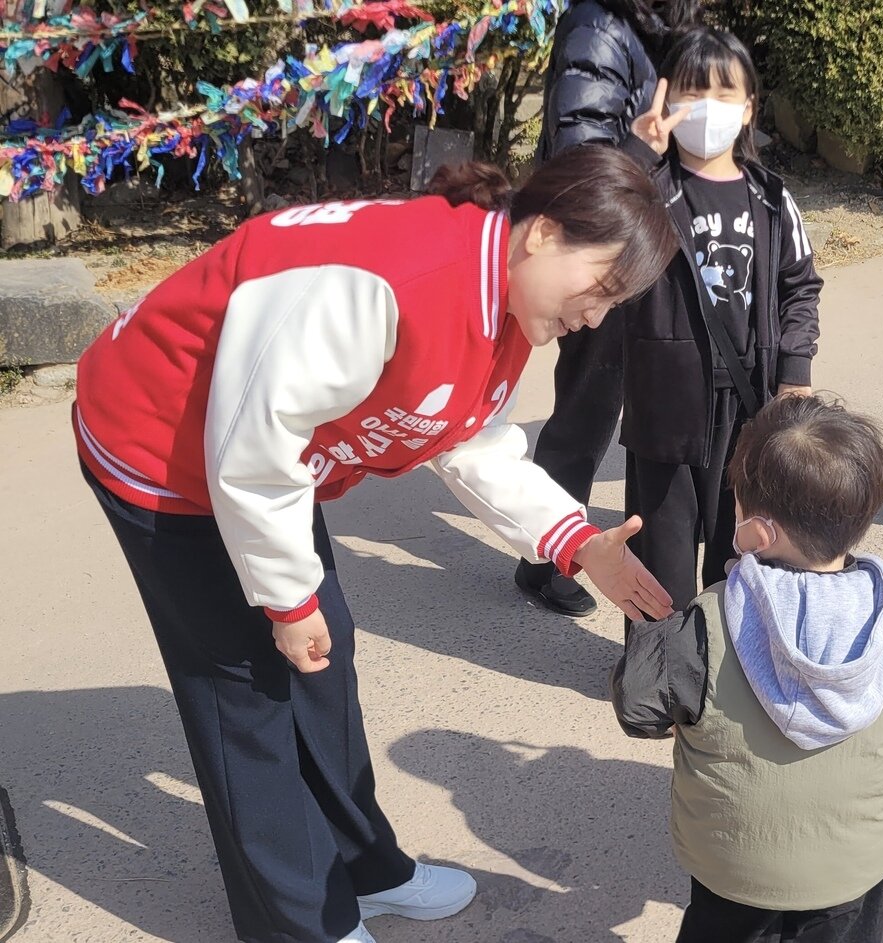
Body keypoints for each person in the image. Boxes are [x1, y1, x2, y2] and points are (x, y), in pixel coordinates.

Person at [73, 146, 678, 943]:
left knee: (325, 657)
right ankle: (299, 924)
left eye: (613, 303)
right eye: (598, 289)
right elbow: (251, 445)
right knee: (245, 693)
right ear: (544, 233)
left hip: (272, 466)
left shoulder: (503, 303)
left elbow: (466, 437)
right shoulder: (390, 284)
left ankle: (365, 868)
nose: (594, 317)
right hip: (165, 451)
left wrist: (574, 538)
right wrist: (285, 598)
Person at [611, 394, 883, 943]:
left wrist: (649, 628)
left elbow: (638, 708)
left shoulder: (705, 626)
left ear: (757, 534)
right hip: (853, 871)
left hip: (733, 870)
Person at [619, 26, 822, 612]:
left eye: (723, 91)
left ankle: (726, 670)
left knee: (742, 554)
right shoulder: (646, 191)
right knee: (663, 559)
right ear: (665, 101)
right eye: (691, 91)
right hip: (666, 406)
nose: (707, 106)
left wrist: (794, 369)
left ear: (749, 107)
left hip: (751, 405)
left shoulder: (770, 197)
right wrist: (636, 154)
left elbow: (800, 283)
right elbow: (594, 233)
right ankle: (657, 678)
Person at [518, 0, 704, 617]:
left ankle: (559, 544)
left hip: (642, 241)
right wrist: (641, 148)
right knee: (587, 408)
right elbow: (582, 157)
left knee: (620, 402)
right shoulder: (598, 27)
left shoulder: (658, 32)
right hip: (599, 248)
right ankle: (544, 558)